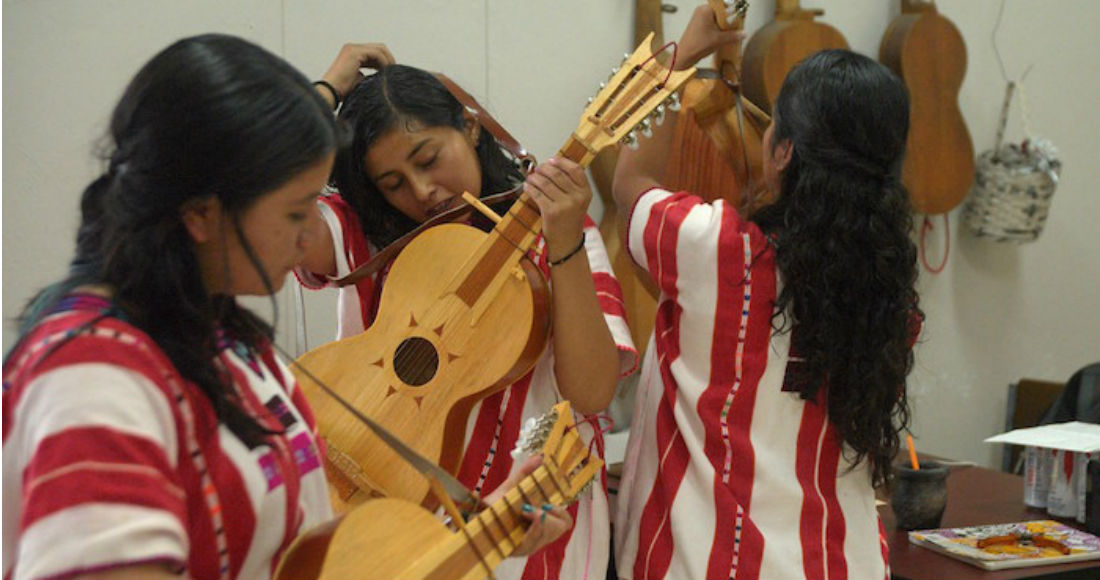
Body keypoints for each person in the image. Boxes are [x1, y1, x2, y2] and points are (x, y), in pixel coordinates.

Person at [2, 34, 568, 580]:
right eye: (297, 212)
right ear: (201, 213)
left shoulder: (232, 345)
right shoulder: (93, 378)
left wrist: (474, 535)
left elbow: (310, 549)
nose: (307, 241)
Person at [611, 5, 923, 580]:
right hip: (841, 562)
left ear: (783, 152)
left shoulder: (717, 249)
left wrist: (683, 54)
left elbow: (628, 182)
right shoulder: (889, 294)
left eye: (774, 123)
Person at [296, 61, 638, 579]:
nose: (422, 190)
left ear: (470, 126)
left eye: (429, 159)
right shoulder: (372, 238)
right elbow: (243, 202)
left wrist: (565, 239)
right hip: (389, 519)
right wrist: (323, 92)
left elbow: (591, 394)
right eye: (393, 183)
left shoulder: (562, 229)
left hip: (534, 534)